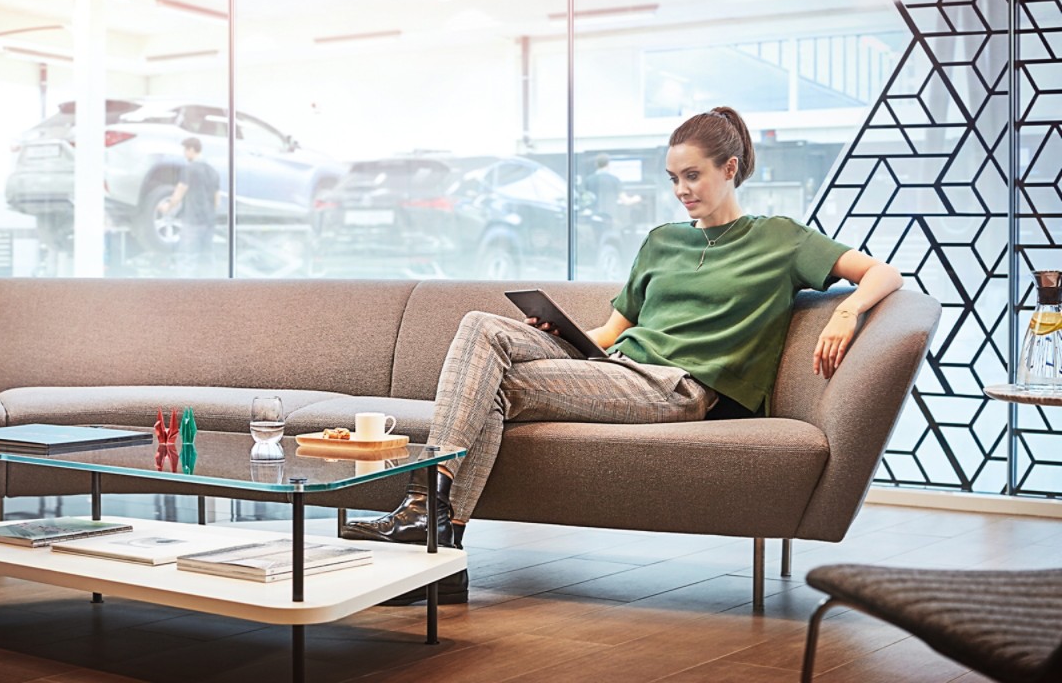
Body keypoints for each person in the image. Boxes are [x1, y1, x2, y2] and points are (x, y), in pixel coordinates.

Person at [341, 106, 904, 606]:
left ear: (729, 169)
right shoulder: (663, 241)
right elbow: (611, 332)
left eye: (693, 175)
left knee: (497, 390)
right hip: (616, 367)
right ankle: (438, 534)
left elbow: (884, 272)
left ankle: (431, 524)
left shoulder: (781, 239)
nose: (682, 189)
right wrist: (560, 335)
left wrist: (847, 312)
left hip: (679, 387)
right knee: (481, 327)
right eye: (673, 178)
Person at [159, 137, 220, 277]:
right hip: (209, 222)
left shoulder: (189, 169)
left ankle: (185, 296)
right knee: (207, 260)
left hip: (192, 222)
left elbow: (178, 194)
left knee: (187, 261)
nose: (184, 154)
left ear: (191, 149)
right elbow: (217, 200)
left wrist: (167, 207)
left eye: (185, 150)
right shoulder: (213, 171)